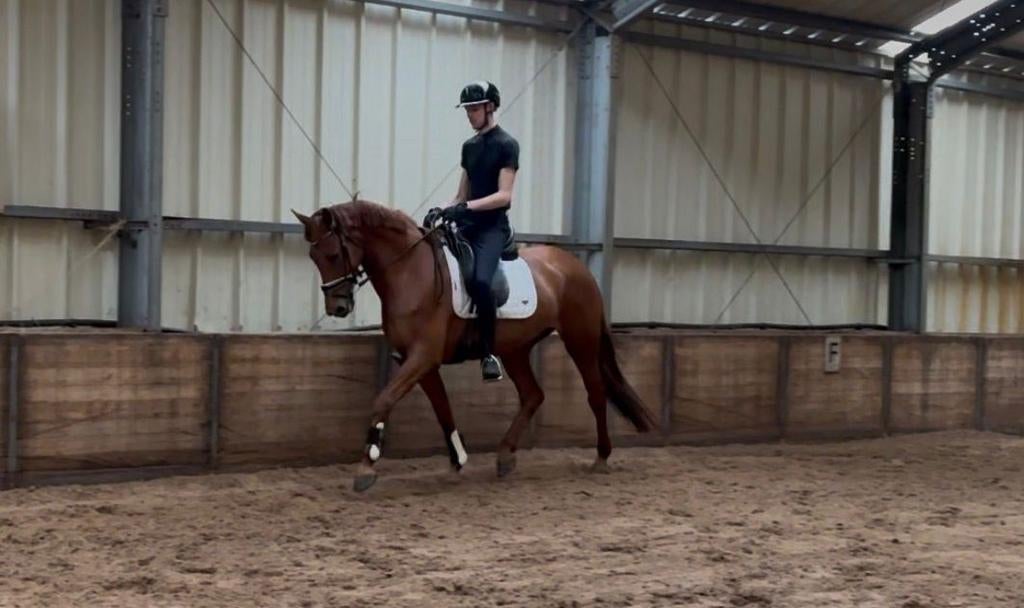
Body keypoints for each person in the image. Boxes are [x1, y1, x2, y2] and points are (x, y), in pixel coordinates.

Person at [426, 81, 519, 382]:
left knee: (480, 281)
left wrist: (467, 207)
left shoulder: (506, 144)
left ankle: (489, 353)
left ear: (490, 107)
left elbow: (505, 196)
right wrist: (442, 208)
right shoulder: (469, 147)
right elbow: (460, 194)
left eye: (475, 108)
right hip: (467, 224)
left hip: (491, 228)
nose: (470, 115)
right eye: (467, 109)